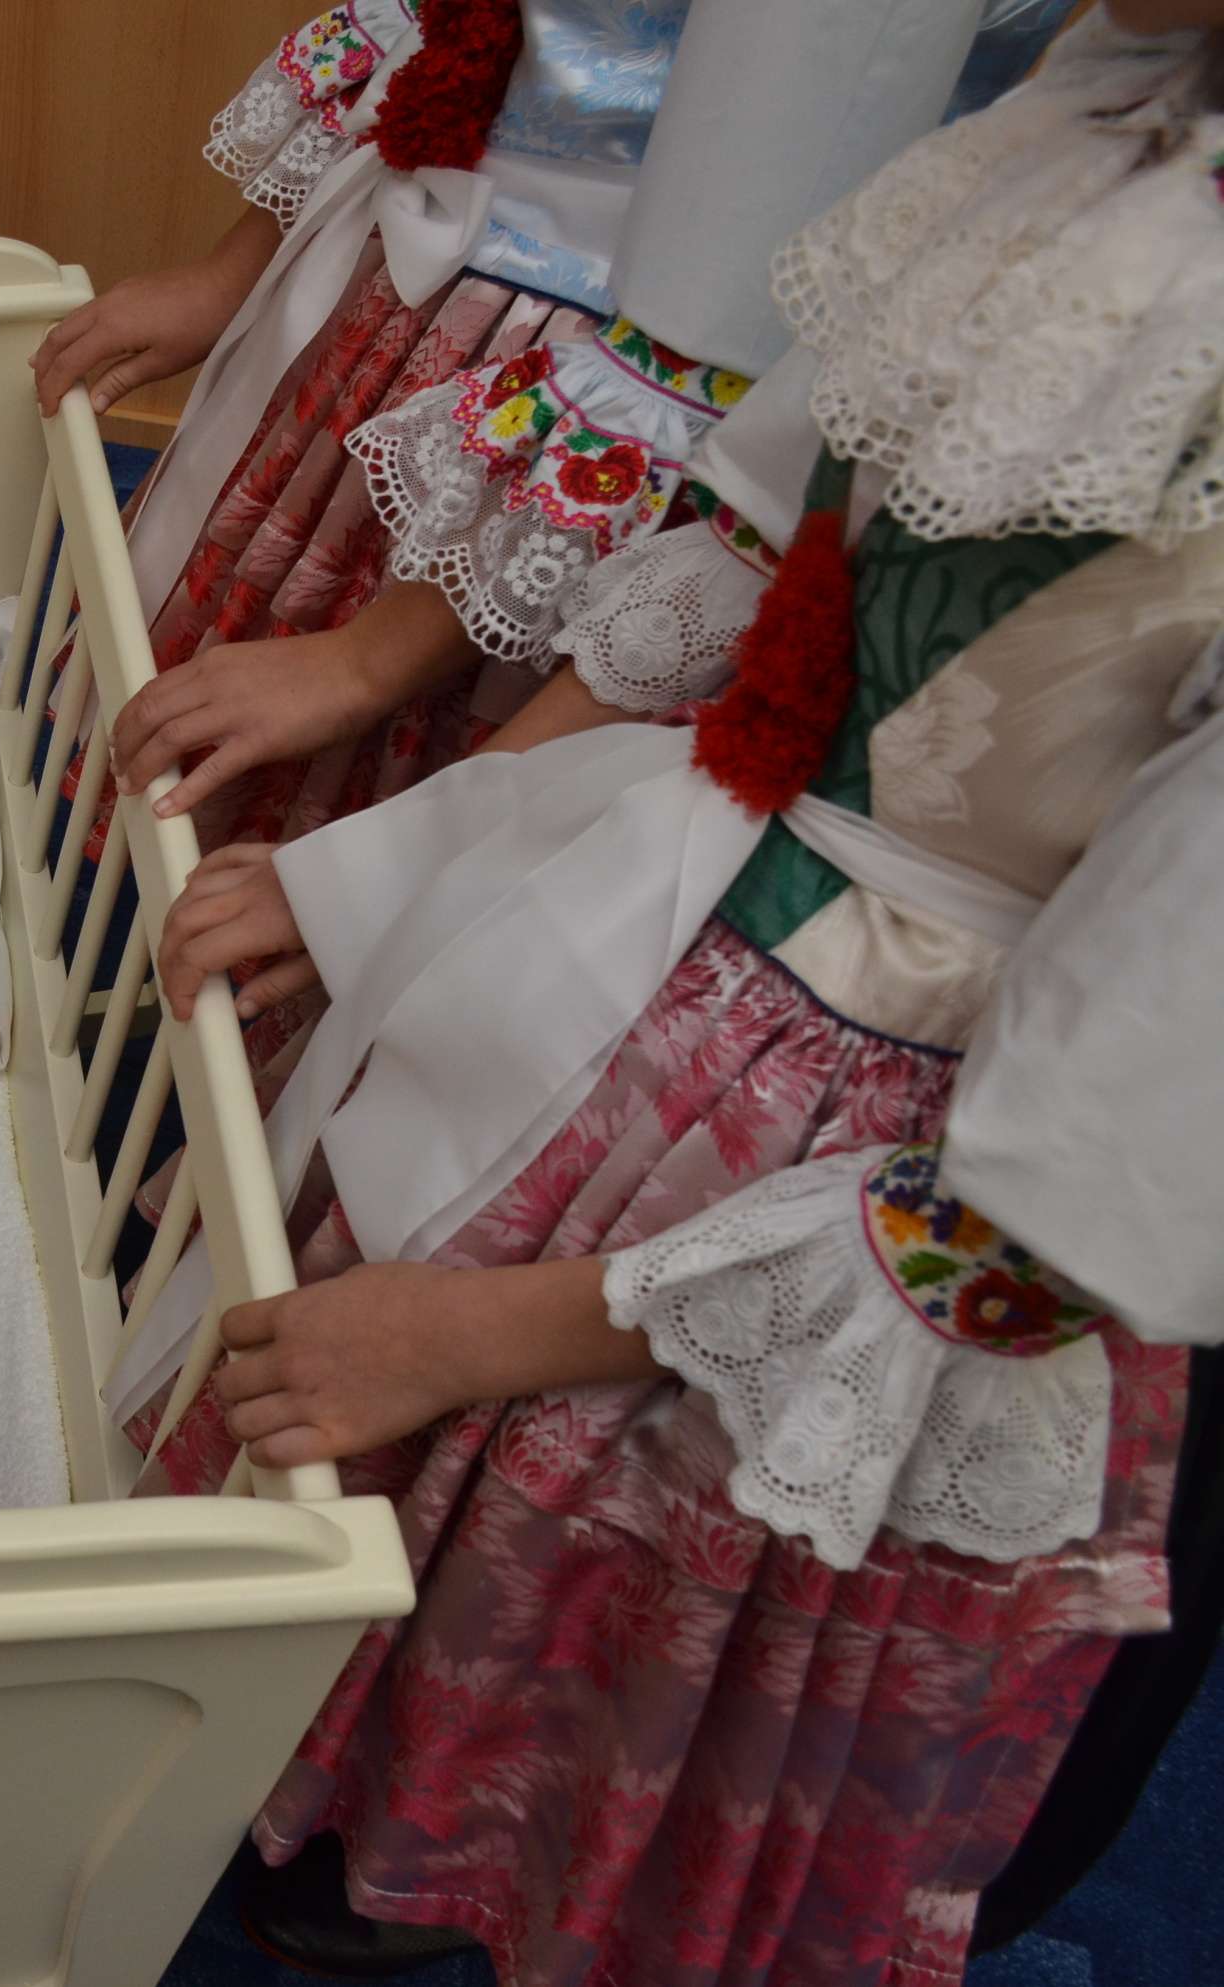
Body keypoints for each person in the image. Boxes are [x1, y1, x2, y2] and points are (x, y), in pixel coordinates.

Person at [116, 11, 1223, 1978]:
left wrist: (476, 1334)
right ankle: (322, 1784)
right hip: (683, 926)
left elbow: (1075, 1202)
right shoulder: (1090, 121)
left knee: (598, 1576)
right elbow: (761, 533)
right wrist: (406, 863)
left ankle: (428, 1846)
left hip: (893, 1145)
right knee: (371, 1405)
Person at [33, 0, 1074, 1071]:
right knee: (162, 793)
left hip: (563, 442)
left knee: (318, 915)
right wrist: (238, 267)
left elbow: (730, 307)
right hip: (415, 322)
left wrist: (368, 661)